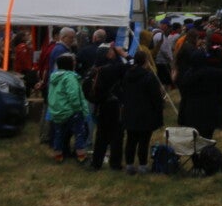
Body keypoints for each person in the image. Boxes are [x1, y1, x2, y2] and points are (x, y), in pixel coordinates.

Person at [117, 49, 167, 173]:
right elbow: (155, 97)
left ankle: (129, 164)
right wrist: (159, 107)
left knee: (131, 140)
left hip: (130, 111)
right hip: (145, 113)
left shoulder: (127, 75)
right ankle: (142, 165)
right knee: (144, 141)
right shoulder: (149, 77)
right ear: (145, 61)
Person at [88, 43, 130, 171]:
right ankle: (115, 163)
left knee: (101, 135)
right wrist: (124, 54)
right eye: (111, 51)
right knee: (117, 135)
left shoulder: (95, 69)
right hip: (115, 105)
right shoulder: (115, 68)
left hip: (101, 105)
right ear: (107, 54)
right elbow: (134, 64)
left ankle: (96, 163)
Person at [45, 54, 88, 162]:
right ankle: (81, 157)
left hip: (57, 111)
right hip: (71, 111)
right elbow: (73, 95)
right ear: (69, 64)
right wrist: (78, 108)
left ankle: (58, 156)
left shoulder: (54, 77)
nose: (75, 63)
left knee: (59, 134)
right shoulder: (70, 77)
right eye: (73, 61)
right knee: (79, 133)